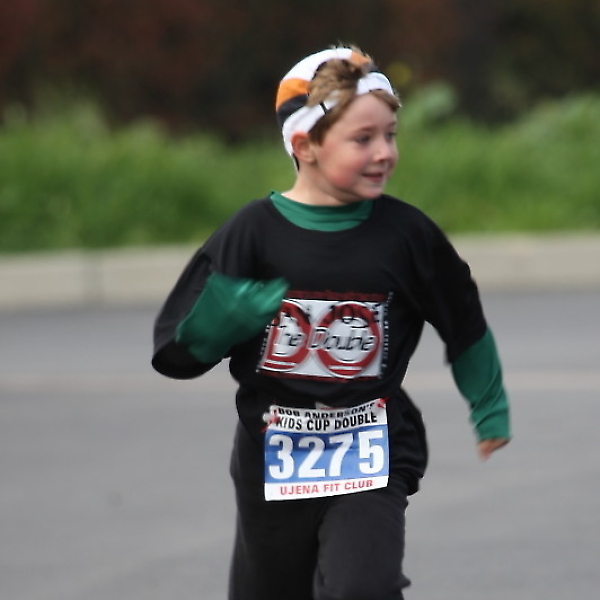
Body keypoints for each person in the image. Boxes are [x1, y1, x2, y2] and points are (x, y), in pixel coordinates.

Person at [152, 45, 511, 600]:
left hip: (373, 446)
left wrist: (489, 407)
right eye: (362, 139)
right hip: (271, 450)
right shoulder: (252, 233)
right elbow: (174, 352)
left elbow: (462, 318)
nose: (384, 152)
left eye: (390, 135)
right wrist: (218, 324)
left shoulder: (406, 236)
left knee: (361, 586)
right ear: (305, 145)